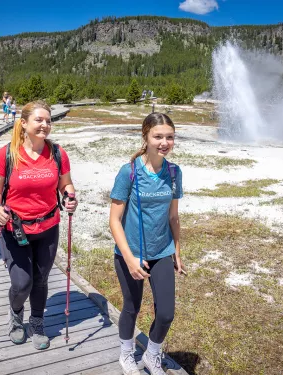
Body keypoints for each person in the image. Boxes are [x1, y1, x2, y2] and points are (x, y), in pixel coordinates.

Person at [0, 100, 78, 350]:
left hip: (48, 226)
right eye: (39, 120)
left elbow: (65, 185)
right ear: (24, 123)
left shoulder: (58, 153)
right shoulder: (7, 154)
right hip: (15, 228)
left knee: (41, 279)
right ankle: (16, 314)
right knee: (22, 283)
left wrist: (70, 197)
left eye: (48, 120)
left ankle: (37, 321)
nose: (45, 125)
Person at [109, 113, 183, 375]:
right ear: (146, 137)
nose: (164, 142)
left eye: (170, 137)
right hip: (130, 253)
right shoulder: (128, 172)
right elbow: (115, 221)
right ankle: (126, 354)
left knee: (166, 314)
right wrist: (130, 258)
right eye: (158, 136)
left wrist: (176, 250)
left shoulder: (174, 172)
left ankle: (152, 355)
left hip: (162, 251)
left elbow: (173, 216)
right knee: (132, 307)